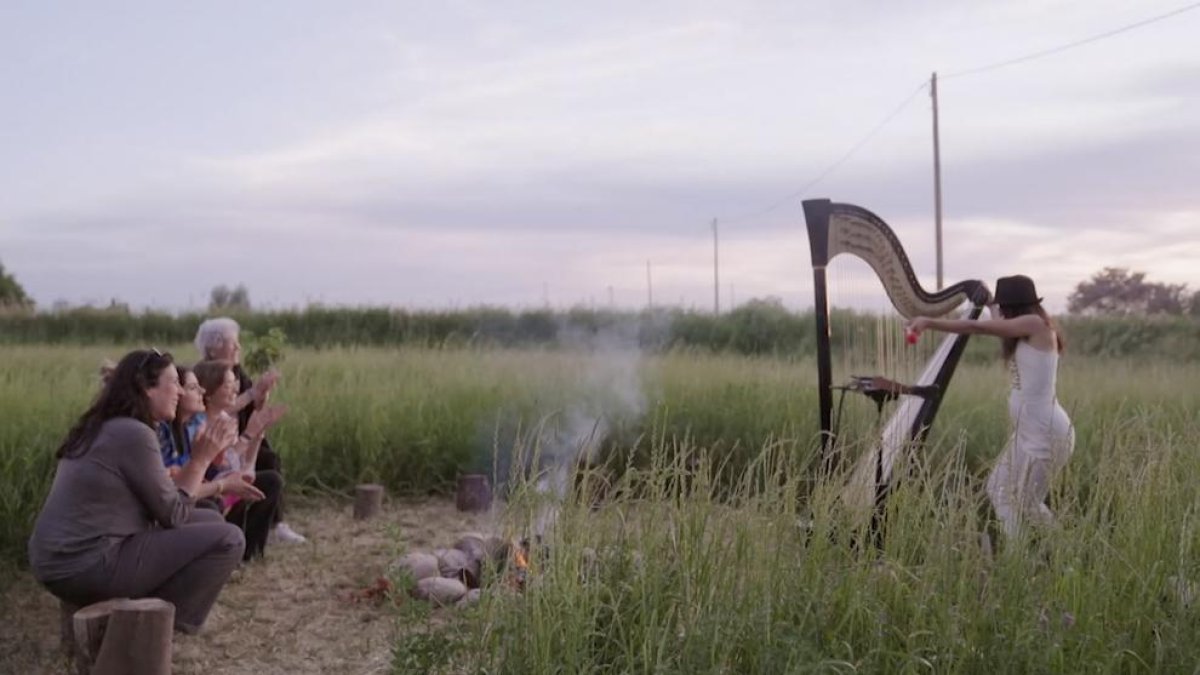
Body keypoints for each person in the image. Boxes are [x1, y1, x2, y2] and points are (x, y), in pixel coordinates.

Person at [28, 349, 244, 634]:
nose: (180, 391)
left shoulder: (108, 426)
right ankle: (155, 626)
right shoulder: (133, 433)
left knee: (213, 521)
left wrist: (204, 467)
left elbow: (166, 501)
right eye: (173, 382)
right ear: (146, 388)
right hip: (85, 564)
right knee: (230, 538)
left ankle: (146, 614)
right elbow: (174, 514)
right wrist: (201, 459)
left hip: (58, 559)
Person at [906, 275, 1075, 539]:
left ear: (1016, 307)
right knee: (999, 488)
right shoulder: (1023, 326)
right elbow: (997, 320)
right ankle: (1037, 556)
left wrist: (928, 321)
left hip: (1047, 433)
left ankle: (1052, 556)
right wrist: (988, 301)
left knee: (1021, 500)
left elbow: (983, 328)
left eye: (1005, 309)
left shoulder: (1036, 324)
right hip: (1027, 432)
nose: (1002, 314)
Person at [193, 317, 306, 543]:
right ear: (213, 349)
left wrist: (260, 402)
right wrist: (253, 396)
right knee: (254, 466)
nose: (238, 347)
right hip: (220, 448)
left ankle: (275, 523)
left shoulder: (237, 372)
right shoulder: (203, 375)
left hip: (235, 439)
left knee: (269, 459)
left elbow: (251, 409)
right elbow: (217, 407)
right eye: (232, 343)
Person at [192, 359, 288, 560]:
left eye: (235, 383)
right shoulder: (199, 424)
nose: (235, 389)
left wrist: (258, 432)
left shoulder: (226, 420)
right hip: (209, 486)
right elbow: (216, 467)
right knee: (232, 493)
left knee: (271, 481)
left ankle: (251, 553)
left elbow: (243, 466)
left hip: (227, 480)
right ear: (209, 392)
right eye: (228, 385)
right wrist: (248, 436)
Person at [159, 365, 265, 513]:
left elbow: (225, 465)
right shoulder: (174, 429)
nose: (202, 391)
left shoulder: (186, 427)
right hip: (175, 503)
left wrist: (255, 436)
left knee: (266, 482)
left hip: (191, 493)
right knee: (213, 505)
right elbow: (173, 486)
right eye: (193, 387)